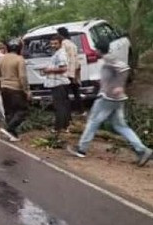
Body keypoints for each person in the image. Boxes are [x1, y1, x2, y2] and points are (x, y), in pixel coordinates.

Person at [69, 37, 152, 165]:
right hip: (117, 99)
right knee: (120, 126)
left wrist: (118, 85)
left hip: (107, 98)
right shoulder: (108, 60)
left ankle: (81, 149)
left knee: (93, 121)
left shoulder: (108, 59)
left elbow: (124, 68)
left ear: (98, 50)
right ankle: (142, 150)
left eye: (96, 49)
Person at [41, 35, 74, 135]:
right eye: (51, 43)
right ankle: (65, 125)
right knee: (63, 105)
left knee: (59, 106)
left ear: (60, 43)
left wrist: (49, 70)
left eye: (55, 43)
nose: (53, 45)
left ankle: (58, 127)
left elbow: (63, 68)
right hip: (56, 82)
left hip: (59, 83)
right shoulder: (57, 53)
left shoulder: (61, 54)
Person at [0, 43, 30, 141]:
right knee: (22, 110)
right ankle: (9, 128)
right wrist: (26, 90)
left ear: (7, 49)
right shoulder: (19, 59)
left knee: (9, 111)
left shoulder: (1, 59)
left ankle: (12, 135)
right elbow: (22, 76)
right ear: (19, 49)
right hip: (16, 88)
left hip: (4, 88)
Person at [57, 27, 82, 102]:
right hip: (74, 70)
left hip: (67, 72)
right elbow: (75, 59)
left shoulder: (63, 44)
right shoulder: (71, 43)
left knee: (65, 93)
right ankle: (80, 110)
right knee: (76, 91)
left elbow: (68, 59)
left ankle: (68, 110)